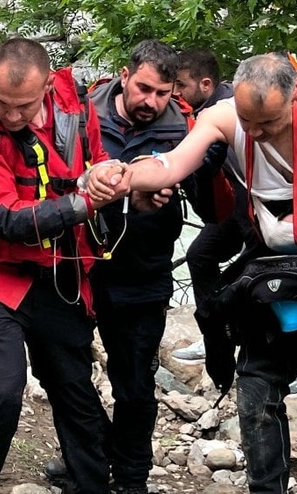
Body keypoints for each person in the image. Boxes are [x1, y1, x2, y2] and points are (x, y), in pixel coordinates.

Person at [90, 53, 297, 494]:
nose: (255, 132)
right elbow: (171, 164)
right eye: (248, 121)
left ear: (294, 102)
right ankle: (265, 488)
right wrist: (119, 175)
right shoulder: (225, 117)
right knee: (256, 390)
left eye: (268, 123)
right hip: (273, 267)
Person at [0, 37, 130, 494]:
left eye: (25, 106)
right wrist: (82, 203)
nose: (13, 116)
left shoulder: (76, 109)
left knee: (72, 385)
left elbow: (95, 162)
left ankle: (89, 483)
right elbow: (4, 218)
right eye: (4, 104)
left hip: (57, 273)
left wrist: (110, 178)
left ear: (48, 86)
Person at [86, 39, 191, 494]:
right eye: (143, 88)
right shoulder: (82, 115)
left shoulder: (185, 133)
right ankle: (88, 457)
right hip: (78, 269)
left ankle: (131, 478)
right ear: (124, 77)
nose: (150, 101)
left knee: (133, 385)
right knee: (63, 374)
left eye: (161, 93)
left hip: (144, 275)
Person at [170, 49, 255, 363]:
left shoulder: (226, 112)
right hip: (233, 207)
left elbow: (245, 179)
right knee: (199, 254)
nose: (175, 92)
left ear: (205, 84)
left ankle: (240, 330)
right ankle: (214, 334)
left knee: (254, 269)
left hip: (258, 209)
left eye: (181, 85)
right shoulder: (198, 110)